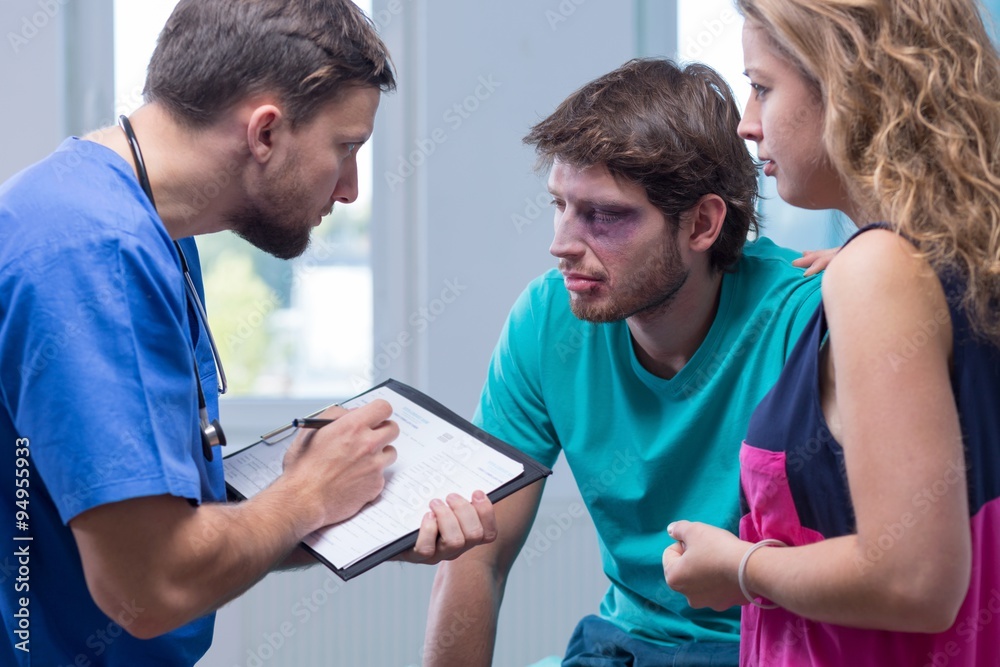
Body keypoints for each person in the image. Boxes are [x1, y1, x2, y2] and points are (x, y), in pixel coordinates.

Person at [0, 1, 496, 664]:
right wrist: (307, 492)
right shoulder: (93, 254)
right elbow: (149, 584)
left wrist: (354, 512)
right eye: (345, 148)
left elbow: (175, 523)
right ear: (265, 132)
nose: (349, 189)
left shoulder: (148, 232)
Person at [423, 58, 826, 667]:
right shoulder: (547, 320)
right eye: (560, 204)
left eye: (604, 215)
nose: (561, 243)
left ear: (704, 223)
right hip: (623, 647)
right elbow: (478, 550)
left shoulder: (808, 318)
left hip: (776, 650)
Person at [663, 0, 1000, 664]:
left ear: (846, 82)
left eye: (761, 87)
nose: (746, 123)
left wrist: (739, 567)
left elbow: (915, 579)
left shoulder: (879, 273)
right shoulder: (949, 257)